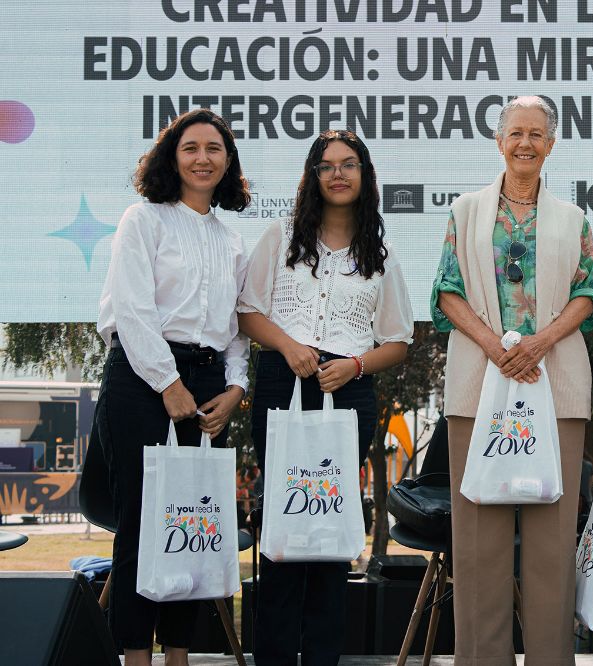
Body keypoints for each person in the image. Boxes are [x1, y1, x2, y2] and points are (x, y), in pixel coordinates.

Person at [430, 95, 593, 663]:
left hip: (556, 388)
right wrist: (494, 346)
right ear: (499, 141)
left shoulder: (574, 218)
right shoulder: (465, 211)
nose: (525, 143)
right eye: (516, 133)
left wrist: (539, 344)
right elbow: (447, 291)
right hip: (479, 388)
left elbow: (587, 294)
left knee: (552, 544)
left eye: (537, 134)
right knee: (479, 545)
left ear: (550, 145)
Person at [237, 129, 413, 666]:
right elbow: (247, 312)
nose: (338, 173)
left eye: (349, 163)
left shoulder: (378, 253)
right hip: (281, 382)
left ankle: (321, 657)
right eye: (327, 165)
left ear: (365, 175)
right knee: (286, 523)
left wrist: (354, 365)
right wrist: (289, 347)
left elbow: (399, 341)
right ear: (313, 177)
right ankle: (271, 655)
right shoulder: (281, 234)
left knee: (330, 524)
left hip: (349, 392)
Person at [93, 108, 252, 666]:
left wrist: (235, 389)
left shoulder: (231, 238)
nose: (203, 158)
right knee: (143, 525)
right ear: (172, 156)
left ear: (228, 161)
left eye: (214, 148)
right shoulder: (144, 220)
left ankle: (178, 656)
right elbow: (133, 312)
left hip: (208, 383)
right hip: (142, 380)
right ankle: (136, 657)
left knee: (194, 524)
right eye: (191, 148)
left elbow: (236, 325)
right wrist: (167, 383)